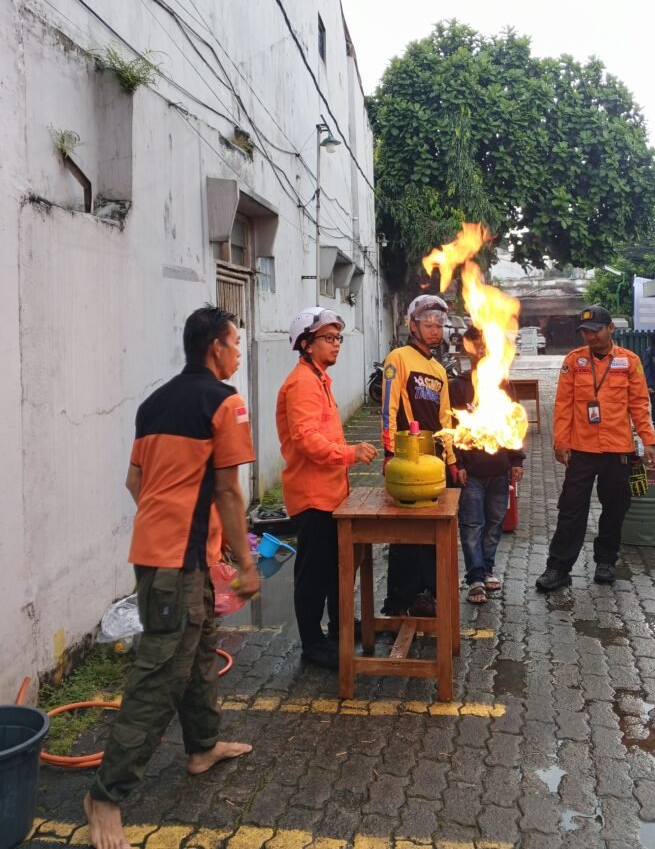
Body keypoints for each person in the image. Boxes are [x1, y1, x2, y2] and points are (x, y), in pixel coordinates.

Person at [84, 306, 260, 849]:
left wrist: (187, 535)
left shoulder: (153, 403)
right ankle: (105, 795)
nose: (237, 353)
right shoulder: (224, 402)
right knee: (159, 675)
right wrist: (245, 564)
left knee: (201, 651)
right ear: (214, 348)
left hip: (169, 556)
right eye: (234, 344)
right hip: (175, 565)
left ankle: (202, 746)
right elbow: (229, 492)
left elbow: (138, 482)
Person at [276, 307, 377, 669]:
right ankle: (313, 644)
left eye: (338, 338)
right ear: (306, 343)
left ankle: (339, 626)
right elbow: (306, 440)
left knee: (337, 567)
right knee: (313, 573)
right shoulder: (302, 383)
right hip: (313, 496)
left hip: (331, 495)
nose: (336, 345)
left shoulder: (319, 379)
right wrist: (350, 453)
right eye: (328, 339)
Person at [536, 304, 655, 593]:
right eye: (585, 332)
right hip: (581, 450)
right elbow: (563, 405)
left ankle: (605, 561)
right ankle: (558, 568)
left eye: (595, 331)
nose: (590, 337)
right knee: (570, 509)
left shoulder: (629, 362)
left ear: (610, 329)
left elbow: (639, 404)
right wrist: (560, 442)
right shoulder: (573, 361)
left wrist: (648, 440)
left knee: (615, 508)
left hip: (618, 450)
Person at [381, 294, 458, 616]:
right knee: (405, 533)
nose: (435, 331)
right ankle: (398, 600)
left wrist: (451, 460)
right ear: (412, 325)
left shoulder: (439, 369)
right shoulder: (398, 358)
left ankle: (427, 594)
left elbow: (446, 418)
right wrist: (388, 452)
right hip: (407, 458)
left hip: (435, 461)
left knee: (432, 532)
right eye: (428, 324)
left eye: (439, 325)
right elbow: (388, 408)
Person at [449, 326, 525, 604]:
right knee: (471, 525)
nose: (480, 351)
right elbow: (449, 429)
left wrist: (516, 459)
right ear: (466, 349)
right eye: (475, 345)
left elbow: (515, 424)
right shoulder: (457, 386)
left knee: (494, 523)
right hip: (472, 472)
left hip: (500, 471)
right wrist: (457, 463)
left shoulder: (503, 384)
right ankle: (475, 578)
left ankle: (488, 568)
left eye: (485, 345)